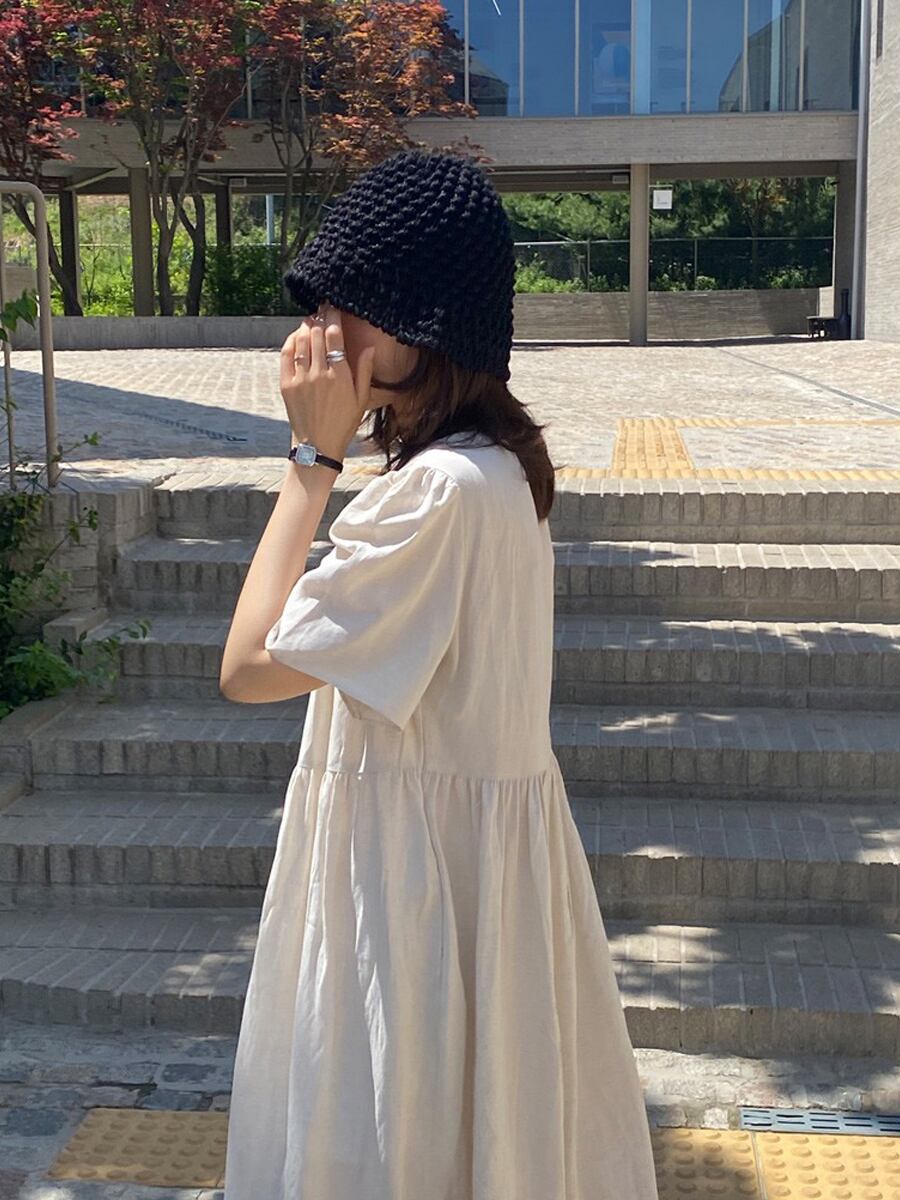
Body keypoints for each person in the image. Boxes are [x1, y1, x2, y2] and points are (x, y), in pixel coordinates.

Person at [219, 147, 659, 1200]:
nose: (322, 332)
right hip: (458, 878)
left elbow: (247, 667)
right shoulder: (499, 473)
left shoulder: (438, 493)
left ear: (423, 326)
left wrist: (310, 462)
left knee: (395, 1139)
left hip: (410, 892)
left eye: (349, 305)